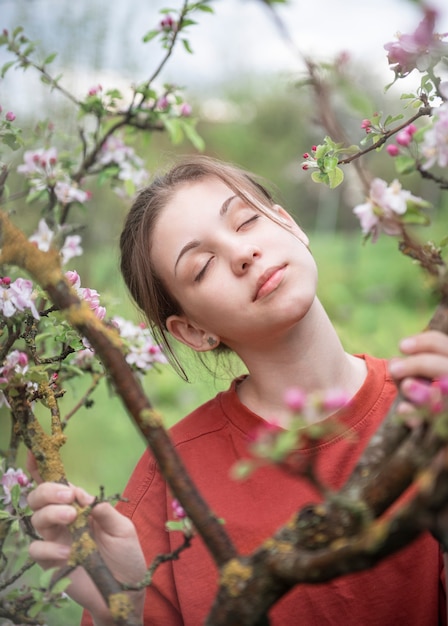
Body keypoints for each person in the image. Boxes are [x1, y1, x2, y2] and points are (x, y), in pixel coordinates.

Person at [28, 156, 448, 626]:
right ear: (192, 331)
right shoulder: (170, 482)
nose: (242, 253)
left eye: (246, 220)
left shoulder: (430, 408)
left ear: (289, 224)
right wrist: (122, 611)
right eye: (203, 266)